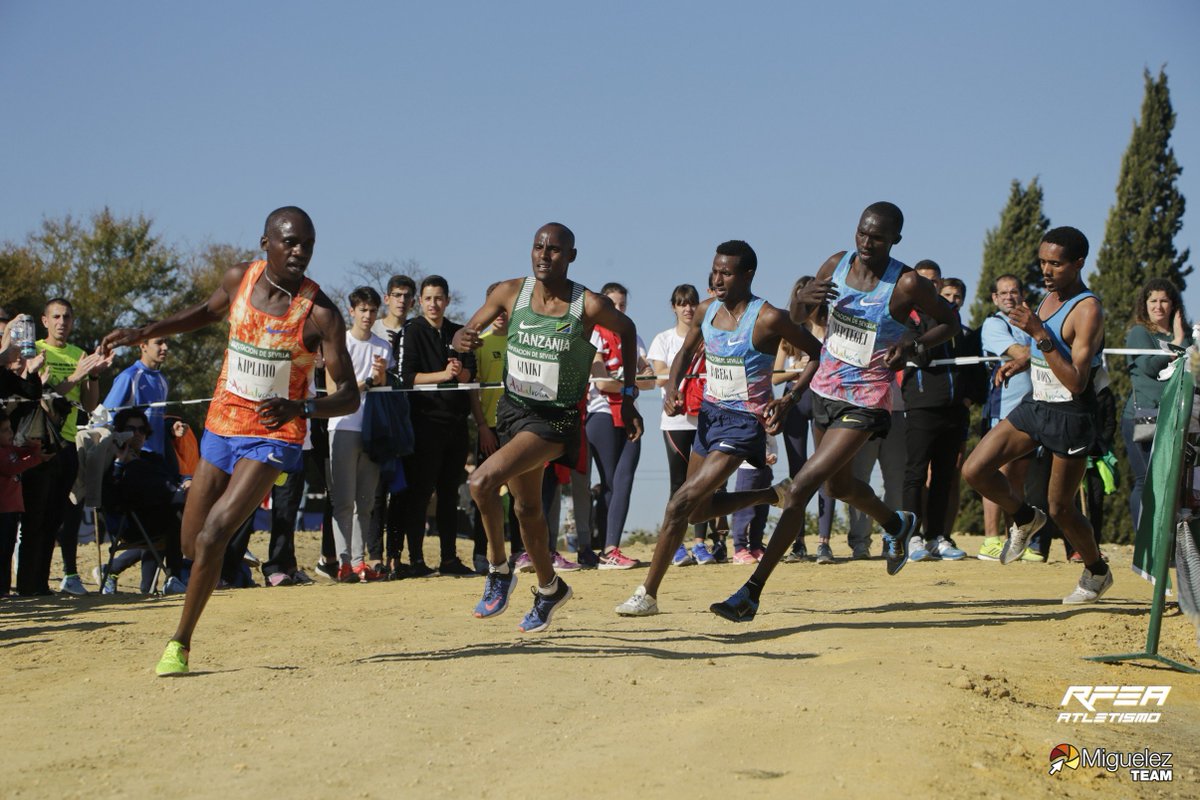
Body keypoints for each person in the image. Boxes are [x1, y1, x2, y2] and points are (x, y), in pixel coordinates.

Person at [101, 206, 359, 675]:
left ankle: (178, 643)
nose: (299, 251)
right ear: (267, 244)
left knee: (216, 530)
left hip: (273, 434)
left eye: (307, 244)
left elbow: (349, 396)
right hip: (222, 424)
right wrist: (145, 330)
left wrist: (299, 408)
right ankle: (208, 569)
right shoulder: (240, 278)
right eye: (290, 242)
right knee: (192, 543)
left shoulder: (320, 314)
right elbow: (203, 313)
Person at [708, 202, 959, 622]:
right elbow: (794, 320)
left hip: (866, 398)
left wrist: (914, 347)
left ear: (895, 239)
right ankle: (897, 525)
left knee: (801, 485)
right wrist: (801, 299)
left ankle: (751, 592)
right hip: (824, 390)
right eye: (861, 232)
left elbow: (950, 322)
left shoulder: (907, 283)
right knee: (839, 488)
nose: (865, 242)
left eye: (876, 237)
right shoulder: (836, 262)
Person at [452, 222, 643, 632]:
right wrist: (461, 339)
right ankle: (549, 588)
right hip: (513, 412)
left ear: (571, 256)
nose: (544, 255)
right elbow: (467, 331)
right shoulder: (508, 292)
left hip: (554, 422)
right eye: (538, 247)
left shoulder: (587, 304)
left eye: (555, 250)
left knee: (482, 483)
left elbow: (627, 331)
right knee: (527, 508)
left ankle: (499, 570)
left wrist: (628, 395)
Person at [615, 239, 822, 617]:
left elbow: (816, 353)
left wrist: (789, 398)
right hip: (709, 416)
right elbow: (683, 354)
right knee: (697, 512)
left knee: (680, 502)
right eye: (714, 271)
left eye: (726, 272)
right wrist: (673, 388)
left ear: (747, 275)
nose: (717, 278)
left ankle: (647, 593)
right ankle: (769, 495)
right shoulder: (707, 311)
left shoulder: (768, 317)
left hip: (743, 424)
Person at [963, 226, 1111, 604]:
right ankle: (1025, 517)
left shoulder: (1087, 308)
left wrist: (1038, 334)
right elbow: (1046, 349)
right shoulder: (1047, 297)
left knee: (1061, 507)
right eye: (1043, 262)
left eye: (1055, 264)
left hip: (1071, 413)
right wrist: (1023, 360)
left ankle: (1096, 570)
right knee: (974, 469)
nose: (1046, 270)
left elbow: (1077, 380)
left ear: (1078, 263)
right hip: (1037, 404)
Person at [23, 298, 111, 596]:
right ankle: (26, 584)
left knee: (54, 519)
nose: (62, 322)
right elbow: (41, 396)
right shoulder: (33, 350)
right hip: (39, 442)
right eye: (57, 317)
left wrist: (94, 374)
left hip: (69, 442)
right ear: (44, 321)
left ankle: (42, 583)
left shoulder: (78, 354)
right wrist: (74, 376)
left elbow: (89, 404)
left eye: (68, 317)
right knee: (34, 518)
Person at [902, 272, 985, 561]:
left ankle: (936, 536)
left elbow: (974, 367)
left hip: (954, 409)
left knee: (945, 476)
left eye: (934, 281)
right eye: (923, 281)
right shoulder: (908, 317)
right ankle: (911, 538)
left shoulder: (959, 325)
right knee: (915, 474)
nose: (930, 286)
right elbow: (921, 355)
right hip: (922, 405)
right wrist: (941, 323)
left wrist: (969, 397)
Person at [399, 275, 477, 577]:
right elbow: (405, 377)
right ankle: (416, 560)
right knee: (421, 493)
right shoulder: (412, 330)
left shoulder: (459, 332)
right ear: (421, 301)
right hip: (424, 422)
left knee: (450, 494)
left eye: (439, 298)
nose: (434, 304)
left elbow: (473, 375)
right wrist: (442, 374)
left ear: (447, 300)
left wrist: (460, 373)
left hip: (457, 425)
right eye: (428, 298)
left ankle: (449, 559)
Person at [647, 284, 722, 567]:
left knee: (703, 484)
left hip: (704, 416)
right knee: (678, 484)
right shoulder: (663, 339)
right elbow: (659, 376)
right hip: (675, 420)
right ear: (674, 307)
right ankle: (676, 545)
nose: (688, 309)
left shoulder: (709, 336)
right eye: (681, 304)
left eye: (691, 303)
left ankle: (700, 543)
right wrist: (685, 379)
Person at [326, 286, 392, 583]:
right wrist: (368, 381)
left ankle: (358, 561)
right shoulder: (339, 344)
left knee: (366, 500)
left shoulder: (384, 346)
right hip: (341, 427)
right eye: (362, 310)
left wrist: (381, 380)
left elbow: (385, 388)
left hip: (372, 430)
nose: (367, 315)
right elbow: (333, 392)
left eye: (372, 310)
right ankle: (342, 562)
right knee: (343, 500)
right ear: (351, 311)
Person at [1121, 277, 1192, 528]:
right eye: (1153, 300)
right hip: (1143, 417)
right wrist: (1179, 339)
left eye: (1164, 300)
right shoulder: (1140, 333)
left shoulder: (1185, 335)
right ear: (1145, 304)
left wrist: (1182, 336)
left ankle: (1167, 541)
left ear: (1173, 305)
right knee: (1146, 480)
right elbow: (1150, 367)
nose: (1158, 306)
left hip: (1176, 417)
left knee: (1171, 482)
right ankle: (1143, 540)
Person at [587, 281, 648, 569]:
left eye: (623, 305)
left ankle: (611, 548)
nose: (619, 310)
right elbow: (600, 380)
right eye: (613, 305)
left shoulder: (633, 336)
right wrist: (630, 381)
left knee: (624, 481)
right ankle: (603, 548)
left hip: (630, 414)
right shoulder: (594, 335)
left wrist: (632, 379)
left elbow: (650, 377)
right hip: (600, 413)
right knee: (610, 484)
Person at [97, 408, 188, 594]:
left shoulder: (152, 458)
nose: (138, 434)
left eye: (142, 430)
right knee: (176, 511)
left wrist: (187, 481)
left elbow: (174, 478)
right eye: (131, 429)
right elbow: (111, 500)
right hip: (130, 524)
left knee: (177, 509)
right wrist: (122, 463)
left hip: (160, 517)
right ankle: (174, 577)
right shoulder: (112, 464)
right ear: (120, 432)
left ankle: (167, 580)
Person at [772, 277, 830, 563]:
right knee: (798, 471)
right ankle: (798, 542)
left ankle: (824, 541)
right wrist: (800, 370)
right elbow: (774, 374)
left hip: (824, 398)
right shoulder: (789, 333)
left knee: (824, 469)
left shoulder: (832, 329)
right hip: (793, 401)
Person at [976, 274, 1034, 559]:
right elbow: (1022, 352)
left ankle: (1017, 540)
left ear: (1022, 295)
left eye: (1014, 291)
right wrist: (1043, 347)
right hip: (1003, 409)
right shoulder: (993, 324)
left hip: (1031, 409)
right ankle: (991, 539)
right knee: (995, 472)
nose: (1009, 296)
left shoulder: (1031, 324)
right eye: (1003, 293)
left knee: (1018, 477)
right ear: (995, 298)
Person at [369, 274, 416, 575]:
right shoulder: (371, 329)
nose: (401, 300)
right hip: (376, 418)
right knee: (375, 490)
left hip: (407, 418)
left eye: (406, 296)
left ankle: (395, 556)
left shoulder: (415, 331)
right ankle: (374, 556)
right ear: (387, 298)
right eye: (396, 295)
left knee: (401, 491)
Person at [0, 408, 48, 597]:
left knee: (8, 549)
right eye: (4, 430)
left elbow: (21, 453)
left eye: (10, 429)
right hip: (2, 510)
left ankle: (4, 587)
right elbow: (12, 467)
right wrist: (35, 458)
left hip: (12, 508)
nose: (10, 434)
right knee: (2, 550)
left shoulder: (10, 449)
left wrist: (34, 447)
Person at [103, 337, 171, 457]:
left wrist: (172, 427)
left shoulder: (163, 380)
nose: (165, 347)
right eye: (159, 343)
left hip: (157, 457)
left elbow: (158, 419)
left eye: (166, 342)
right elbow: (102, 417)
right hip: (132, 457)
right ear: (143, 346)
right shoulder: (129, 376)